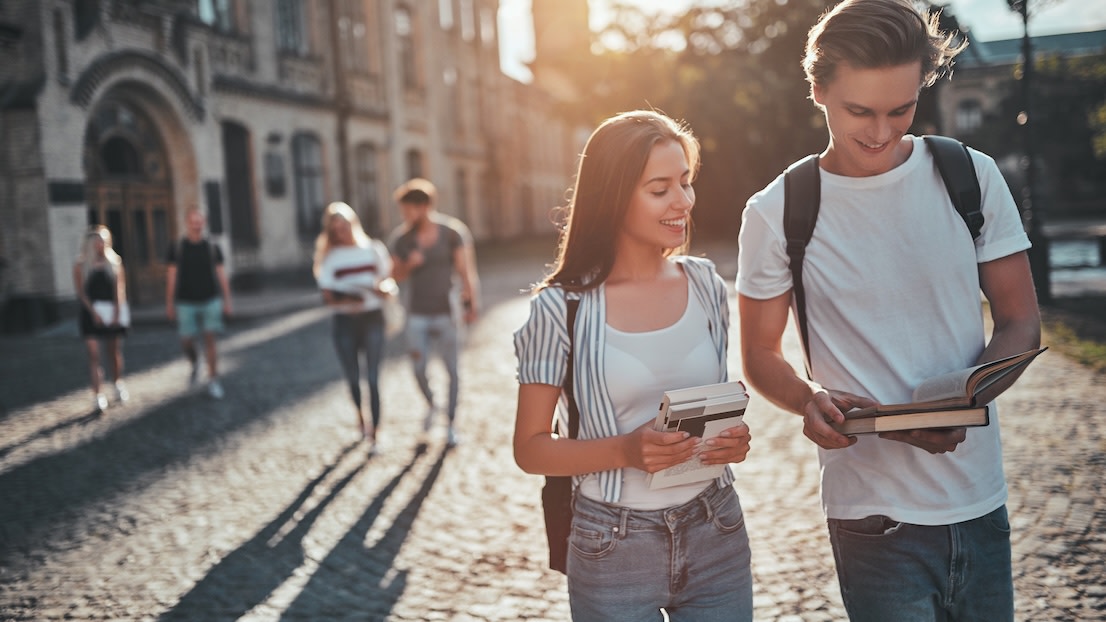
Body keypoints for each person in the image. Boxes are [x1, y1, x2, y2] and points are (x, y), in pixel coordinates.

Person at [736, 1, 1041, 620]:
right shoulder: (777, 211)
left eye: (901, 109)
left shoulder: (970, 176)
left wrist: (965, 402)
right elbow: (760, 354)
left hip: (980, 501)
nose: (881, 131)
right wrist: (807, 399)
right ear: (818, 90)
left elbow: (1019, 321)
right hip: (870, 516)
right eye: (860, 111)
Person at [513, 110, 754, 621]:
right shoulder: (560, 308)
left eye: (685, 182)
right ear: (613, 196)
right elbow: (530, 449)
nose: (683, 201)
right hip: (612, 544)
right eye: (660, 189)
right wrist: (625, 449)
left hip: (717, 527)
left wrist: (731, 442)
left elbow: (712, 405)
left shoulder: (707, 285)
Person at [388, 178, 480, 447]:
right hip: (416, 313)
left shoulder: (452, 233)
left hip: (447, 312)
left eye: (408, 210)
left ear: (424, 206)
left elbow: (466, 272)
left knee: (452, 370)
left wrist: (471, 304)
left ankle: (451, 424)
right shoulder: (402, 239)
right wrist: (409, 265)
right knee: (418, 368)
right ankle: (431, 403)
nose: (405, 215)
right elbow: (393, 275)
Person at [314, 202, 397, 450]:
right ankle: (361, 417)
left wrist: (381, 289)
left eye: (345, 226)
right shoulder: (330, 257)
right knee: (352, 377)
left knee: (372, 377)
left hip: (372, 318)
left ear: (354, 223)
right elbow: (328, 296)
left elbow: (388, 280)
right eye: (336, 229)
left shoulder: (373, 249)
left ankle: (376, 432)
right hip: (345, 322)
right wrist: (349, 299)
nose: (343, 232)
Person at [166, 208, 234, 399]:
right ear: (187, 223)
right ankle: (195, 361)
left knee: (210, 340)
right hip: (185, 301)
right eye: (193, 221)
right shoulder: (177, 248)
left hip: (210, 299)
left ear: (204, 223)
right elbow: (171, 277)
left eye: (199, 221)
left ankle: (213, 380)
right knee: (186, 340)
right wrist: (169, 303)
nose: (196, 225)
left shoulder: (212, 247)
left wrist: (227, 300)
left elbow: (221, 275)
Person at [73, 226, 129, 412]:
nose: (100, 244)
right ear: (90, 243)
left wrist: (117, 312)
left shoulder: (114, 263)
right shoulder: (81, 265)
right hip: (91, 314)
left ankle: (117, 383)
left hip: (111, 311)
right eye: (97, 241)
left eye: (104, 241)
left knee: (113, 352)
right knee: (94, 355)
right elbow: (81, 293)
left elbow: (119, 289)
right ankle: (98, 394)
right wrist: (93, 312)